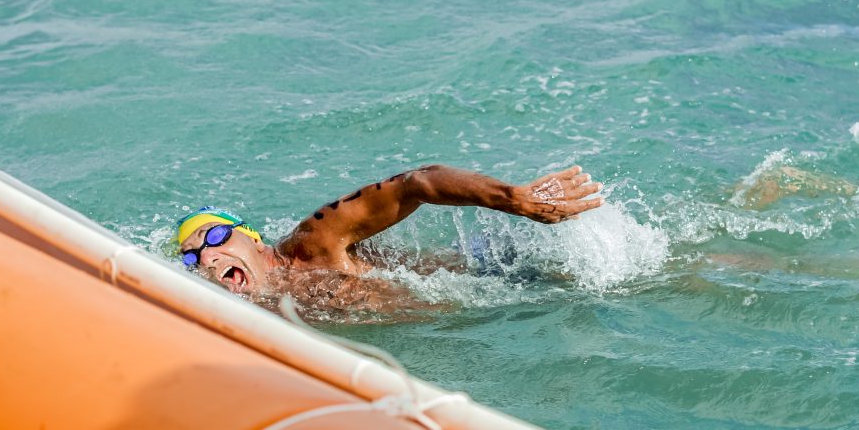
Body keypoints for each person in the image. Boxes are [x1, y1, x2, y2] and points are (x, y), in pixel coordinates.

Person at [176, 164, 603, 302]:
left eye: (214, 237)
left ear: (252, 239)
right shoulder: (257, 306)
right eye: (192, 256)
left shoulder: (313, 245)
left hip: (500, 274)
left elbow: (414, 184)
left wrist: (513, 198)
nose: (207, 257)